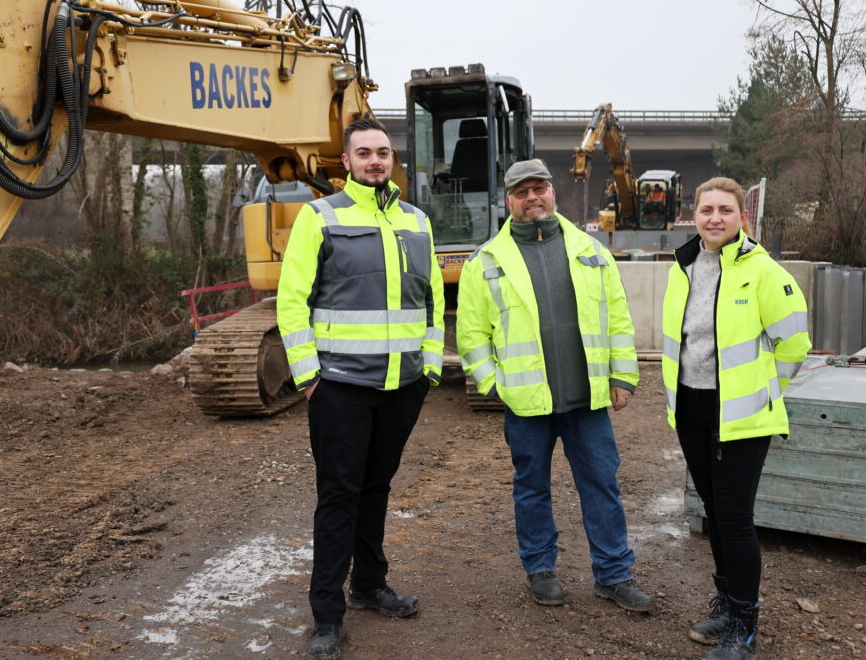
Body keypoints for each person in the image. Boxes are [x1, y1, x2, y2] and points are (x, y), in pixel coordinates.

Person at [277, 117, 445, 659]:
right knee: (339, 496)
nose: (376, 160)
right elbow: (291, 300)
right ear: (346, 162)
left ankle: (370, 585)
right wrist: (308, 376)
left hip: (403, 385)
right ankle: (327, 614)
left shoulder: (417, 220)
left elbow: (431, 299)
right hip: (342, 386)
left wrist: (431, 364)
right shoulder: (319, 217)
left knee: (377, 489)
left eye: (384, 152)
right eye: (364, 152)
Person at [457, 159, 654, 613]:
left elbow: (618, 318)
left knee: (602, 484)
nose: (533, 198)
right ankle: (540, 570)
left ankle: (614, 574)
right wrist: (495, 385)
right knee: (532, 488)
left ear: (553, 193)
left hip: (586, 398)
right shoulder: (485, 262)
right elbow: (471, 335)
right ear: (509, 202)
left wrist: (623, 375)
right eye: (522, 192)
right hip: (528, 404)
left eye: (539, 189)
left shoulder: (590, 251)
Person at [661, 177, 810, 659]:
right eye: (707, 210)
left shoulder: (761, 270)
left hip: (741, 416)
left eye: (725, 210)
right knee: (713, 509)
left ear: (741, 218)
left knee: (735, 517)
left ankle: (744, 625)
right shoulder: (683, 267)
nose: (715, 218)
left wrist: (765, 394)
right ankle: (727, 603)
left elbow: (794, 341)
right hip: (691, 407)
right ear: (695, 215)